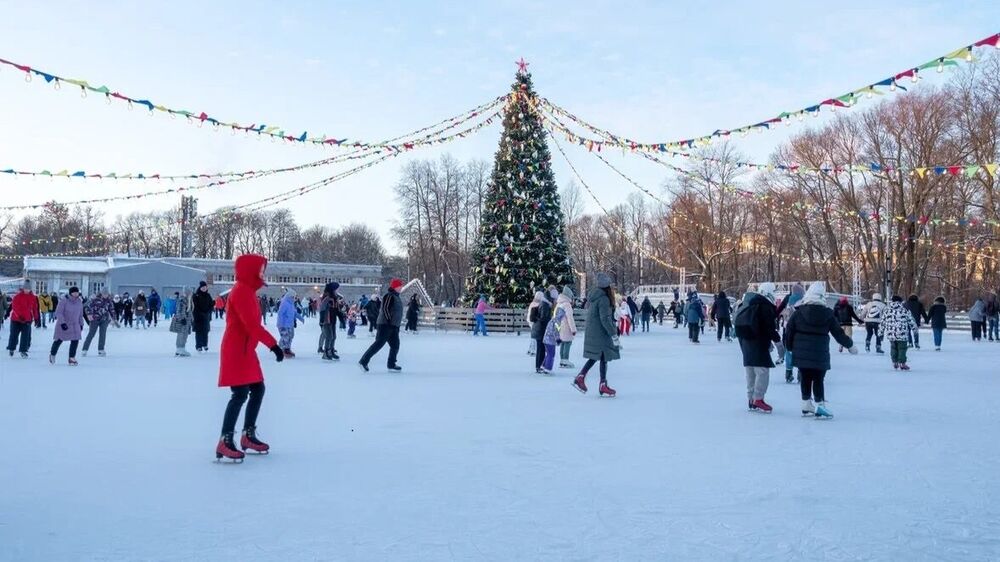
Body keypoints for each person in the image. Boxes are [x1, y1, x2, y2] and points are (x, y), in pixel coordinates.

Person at [215, 254, 284, 463]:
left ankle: (248, 435)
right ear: (249, 271)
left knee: (257, 388)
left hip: (246, 349)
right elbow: (251, 326)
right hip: (237, 350)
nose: (263, 274)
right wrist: (273, 345)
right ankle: (225, 440)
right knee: (240, 393)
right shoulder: (242, 291)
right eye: (260, 270)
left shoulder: (247, 291)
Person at [783, 282, 857, 418]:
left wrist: (789, 347)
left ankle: (806, 403)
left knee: (805, 376)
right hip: (819, 353)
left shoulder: (798, 313)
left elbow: (789, 331)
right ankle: (820, 405)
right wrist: (850, 345)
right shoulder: (827, 314)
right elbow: (838, 333)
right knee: (818, 378)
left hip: (801, 353)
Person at [735, 282, 781, 413]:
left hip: (746, 341)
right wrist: (777, 342)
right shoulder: (765, 306)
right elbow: (769, 327)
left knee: (750, 371)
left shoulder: (750, 303)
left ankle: (751, 398)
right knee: (762, 371)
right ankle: (759, 398)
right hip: (758, 342)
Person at [572, 273, 618, 397]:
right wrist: (613, 334)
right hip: (601, 333)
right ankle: (584, 378)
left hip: (594, 331)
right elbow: (605, 319)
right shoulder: (603, 299)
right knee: (601, 356)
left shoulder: (595, 297)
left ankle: (600, 383)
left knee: (600, 357)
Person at [358, 279, 404, 373]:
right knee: (379, 343)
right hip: (385, 325)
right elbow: (385, 308)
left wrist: (396, 324)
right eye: (400, 286)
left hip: (394, 326)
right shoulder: (389, 296)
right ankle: (363, 361)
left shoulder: (397, 297)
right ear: (395, 287)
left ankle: (391, 364)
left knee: (395, 345)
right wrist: (389, 321)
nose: (401, 287)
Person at [879, 295, 917, 370]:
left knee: (893, 347)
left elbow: (882, 322)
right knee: (902, 348)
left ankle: (894, 362)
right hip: (902, 333)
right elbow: (911, 320)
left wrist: (881, 332)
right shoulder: (904, 309)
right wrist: (914, 329)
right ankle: (902, 363)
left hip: (891, 333)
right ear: (900, 301)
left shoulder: (887, 310)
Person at [50, 286, 84, 366]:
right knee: (59, 340)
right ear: (70, 293)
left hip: (75, 324)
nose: (76, 294)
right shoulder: (64, 301)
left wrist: (81, 324)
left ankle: (71, 358)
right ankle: (52, 354)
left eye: (77, 292)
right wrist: (62, 323)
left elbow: (80, 314)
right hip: (64, 324)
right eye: (74, 292)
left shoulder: (79, 301)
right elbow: (59, 312)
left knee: (75, 340)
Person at [6, 280, 41, 358]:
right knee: (14, 335)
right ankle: (11, 348)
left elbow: (35, 309)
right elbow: (14, 307)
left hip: (27, 320)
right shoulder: (17, 296)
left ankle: (23, 350)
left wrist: (36, 318)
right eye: (25, 289)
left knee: (25, 336)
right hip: (16, 320)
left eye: (28, 289)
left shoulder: (33, 297)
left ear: (30, 289)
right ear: (23, 288)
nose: (27, 290)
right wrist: (19, 316)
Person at [82, 289, 118, 356]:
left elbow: (112, 310)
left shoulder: (109, 301)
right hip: (94, 319)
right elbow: (86, 306)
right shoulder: (95, 299)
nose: (105, 295)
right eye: (104, 294)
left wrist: (114, 319)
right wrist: (89, 314)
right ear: (101, 293)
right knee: (91, 334)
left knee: (103, 335)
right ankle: (84, 349)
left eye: (107, 294)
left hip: (104, 320)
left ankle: (101, 350)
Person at [318, 282, 345, 361]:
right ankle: (326, 352)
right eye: (336, 289)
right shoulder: (327, 297)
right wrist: (322, 320)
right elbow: (322, 309)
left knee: (333, 336)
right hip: (327, 320)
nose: (337, 290)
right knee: (329, 336)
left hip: (333, 320)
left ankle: (331, 350)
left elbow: (337, 310)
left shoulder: (334, 298)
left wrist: (341, 318)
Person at [529, 290, 554, 373]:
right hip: (541, 330)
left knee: (541, 348)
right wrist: (549, 322)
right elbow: (544, 318)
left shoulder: (544, 303)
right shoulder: (545, 305)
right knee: (541, 349)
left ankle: (539, 365)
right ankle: (538, 366)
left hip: (539, 329)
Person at [277, 289, 305, 358]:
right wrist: (280, 324)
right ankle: (284, 350)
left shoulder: (291, 304)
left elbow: (294, 313)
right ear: (289, 296)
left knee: (290, 336)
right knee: (285, 337)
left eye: (294, 297)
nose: (294, 298)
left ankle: (287, 349)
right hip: (284, 324)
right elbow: (280, 314)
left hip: (290, 324)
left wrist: (300, 318)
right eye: (293, 297)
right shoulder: (284, 304)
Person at [556, 286, 578, 368]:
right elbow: (570, 318)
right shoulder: (567, 305)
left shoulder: (559, 303)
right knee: (568, 343)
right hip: (566, 327)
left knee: (562, 343)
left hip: (560, 326)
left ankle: (562, 360)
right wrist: (573, 329)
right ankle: (565, 360)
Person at [170, 287, 194, 357]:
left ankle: (182, 348)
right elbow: (179, 310)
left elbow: (189, 311)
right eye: (190, 293)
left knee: (185, 334)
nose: (191, 294)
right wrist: (182, 318)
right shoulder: (182, 300)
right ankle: (180, 348)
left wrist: (192, 319)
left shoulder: (189, 300)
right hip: (182, 321)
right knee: (181, 334)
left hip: (187, 320)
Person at [192, 281, 215, 352]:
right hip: (198, 316)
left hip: (206, 316)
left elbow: (210, 305)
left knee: (205, 331)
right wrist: (199, 313)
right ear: (200, 288)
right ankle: (198, 346)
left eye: (205, 287)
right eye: (203, 287)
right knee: (199, 332)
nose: (204, 288)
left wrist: (213, 304)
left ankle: (205, 344)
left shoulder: (208, 295)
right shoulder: (196, 295)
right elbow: (195, 306)